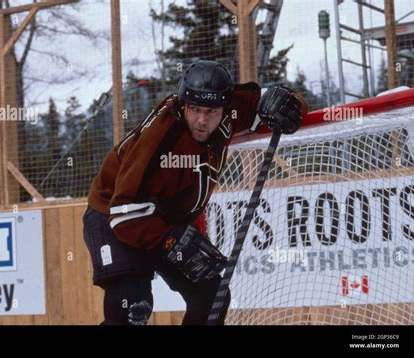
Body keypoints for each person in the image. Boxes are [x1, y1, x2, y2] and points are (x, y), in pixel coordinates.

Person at [83, 60, 306, 325]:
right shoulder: (163, 139)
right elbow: (124, 213)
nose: (201, 120)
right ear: (183, 103)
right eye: (194, 109)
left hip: (166, 219)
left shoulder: (231, 109)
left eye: (211, 111)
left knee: (212, 299)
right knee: (132, 306)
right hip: (115, 216)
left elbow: (276, 100)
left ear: (224, 107)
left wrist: (291, 103)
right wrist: (170, 241)